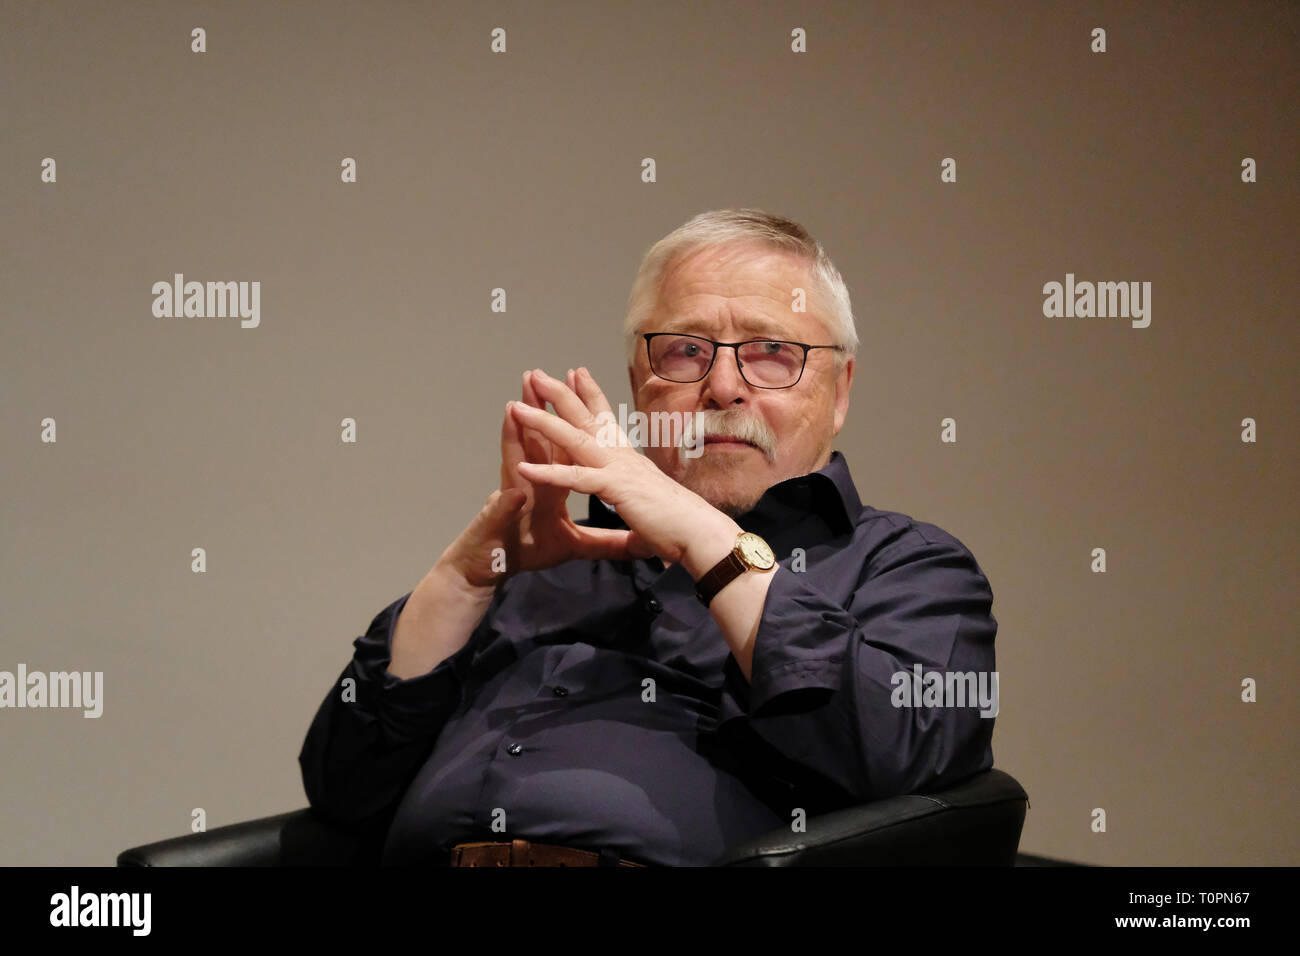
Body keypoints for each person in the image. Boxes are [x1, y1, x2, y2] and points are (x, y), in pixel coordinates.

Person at [298, 208, 998, 866]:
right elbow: (342, 787)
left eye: (772, 352)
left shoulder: (909, 567)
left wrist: (704, 537)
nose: (724, 386)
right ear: (640, 382)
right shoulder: (547, 557)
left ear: (839, 390)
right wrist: (463, 581)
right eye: (687, 352)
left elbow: (906, 756)